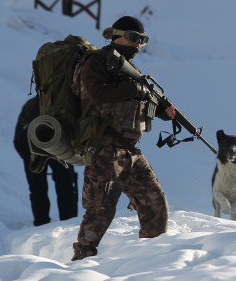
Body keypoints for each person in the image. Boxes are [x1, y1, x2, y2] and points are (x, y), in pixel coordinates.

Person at [71, 16, 176, 261]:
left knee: (155, 204)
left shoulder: (130, 69)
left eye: (143, 40)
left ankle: (151, 259)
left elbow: (139, 104)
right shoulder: (97, 62)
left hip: (129, 150)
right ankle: (79, 268)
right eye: (134, 38)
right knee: (100, 211)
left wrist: (162, 111)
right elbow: (97, 94)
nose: (138, 45)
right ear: (115, 35)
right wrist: (135, 89)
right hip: (104, 148)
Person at [13, 96, 78, 226]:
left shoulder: (31, 104)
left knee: (37, 188)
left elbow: (18, 139)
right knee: (65, 184)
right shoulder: (65, 101)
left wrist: (27, 158)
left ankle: (41, 223)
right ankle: (69, 223)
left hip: (31, 147)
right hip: (58, 146)